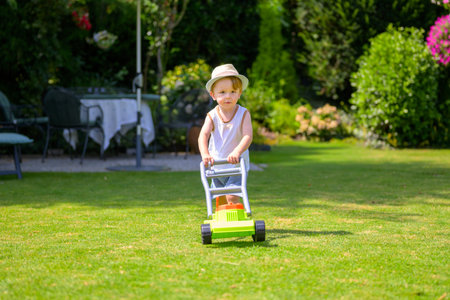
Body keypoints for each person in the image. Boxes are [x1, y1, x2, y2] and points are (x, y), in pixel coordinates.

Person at [198, 64, 253, 205]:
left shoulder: (243, 114)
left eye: (233, 92)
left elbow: (248, 136)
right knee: (219, 197)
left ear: (239, 93)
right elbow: (203, 135)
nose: (228, 96)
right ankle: (222, 222)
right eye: (222, 92)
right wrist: (205, 154)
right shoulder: (212, 116)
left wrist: (237, 152)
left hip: (236, 165)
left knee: (232, 196)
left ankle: (235, 221)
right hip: (216, 164)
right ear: (213, 95)